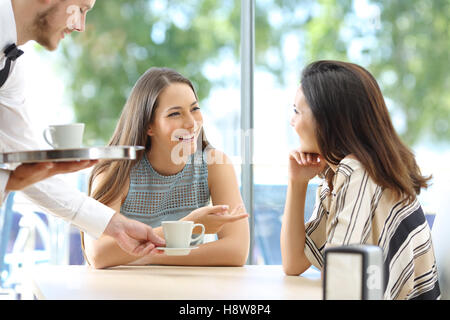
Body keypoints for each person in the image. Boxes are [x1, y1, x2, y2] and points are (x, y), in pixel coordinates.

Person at [0, 0, 168, 258]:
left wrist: (113, 224)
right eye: (80, 9)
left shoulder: (11, 67)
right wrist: (10, 181)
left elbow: (27, 161)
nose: (80, 26)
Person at [280, 60, 440, 300]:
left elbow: (339, 281)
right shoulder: (341, 173)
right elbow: (294, 263)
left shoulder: (358, 172)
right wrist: (297, 182)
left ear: (327, 120)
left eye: (296, 111)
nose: (291, 121)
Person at [82, 67, 250, 269]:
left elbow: (236, 251)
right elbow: (99, 254)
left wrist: (146, 256)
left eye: (194, 109)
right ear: (148, 126)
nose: (191, 123)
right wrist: (185, 227)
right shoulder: (116, 170)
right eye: (175, 114)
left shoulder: (214, 165)